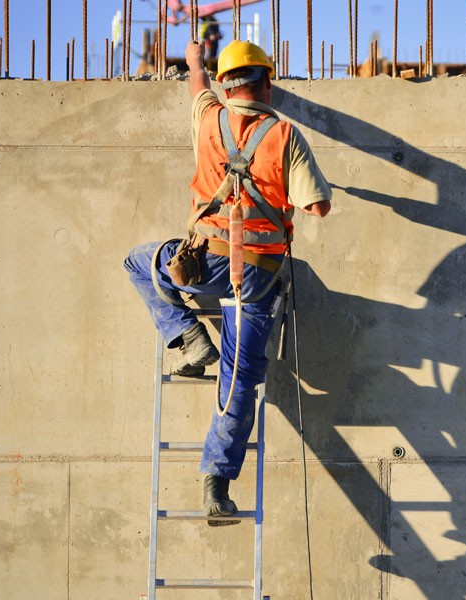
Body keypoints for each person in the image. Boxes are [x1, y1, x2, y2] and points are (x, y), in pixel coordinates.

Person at [123, 39, 332, 524]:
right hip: (256, 277)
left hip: (202, 267)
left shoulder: (207, 118)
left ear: (225, 83)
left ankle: (190, 338)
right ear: (266, 83)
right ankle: (216, 484)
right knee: (239, 382)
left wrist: (196, 60)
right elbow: (318, 206)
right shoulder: (284, 135)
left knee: (140, 263)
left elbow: (197, 85)